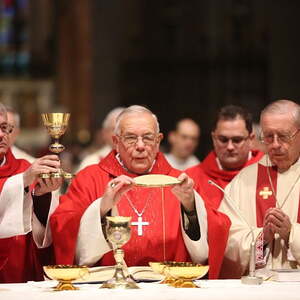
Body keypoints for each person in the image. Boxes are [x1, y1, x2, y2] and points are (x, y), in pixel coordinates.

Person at [50, 105, 230, 279]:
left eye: (148, 138)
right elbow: (63, 225)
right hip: (109, 288)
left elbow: (217, 230)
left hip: (167, 288)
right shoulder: (89, 179)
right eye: (130, 138)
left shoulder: (179, 182)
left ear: (158, 140)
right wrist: (102, 208)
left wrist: (190, 206)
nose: (141, 146)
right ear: (115, 142)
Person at [219, 99, 300, 278]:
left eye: (284, 136)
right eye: (269, 137)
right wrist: (262, 237)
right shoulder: (244, 180)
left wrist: (291, 234)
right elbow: (226, 238)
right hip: (259, 287)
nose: (275, 144)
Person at [0, 103, 62, 282]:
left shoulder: (24, 167)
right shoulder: (26, 174)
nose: (1, 135)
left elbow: (40, 233)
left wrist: (43, 196)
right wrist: (22, 181)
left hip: (20, 272)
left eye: (5, 128)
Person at [186, 105, 264, 209]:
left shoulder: (268, 173)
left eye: (237, 140)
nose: (230, 147)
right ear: (213, 138)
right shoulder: (191, 180)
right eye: (223, 139)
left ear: (251, 139)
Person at [76, 107, 125, 171]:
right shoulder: (92, 161)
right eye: (114, 129)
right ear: (104, 133)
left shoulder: (139, 161)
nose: (119, 134)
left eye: (123, 129)